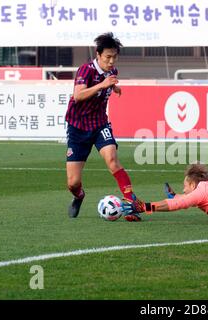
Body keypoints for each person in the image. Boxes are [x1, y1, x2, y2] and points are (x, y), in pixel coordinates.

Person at [65, 32, 142, 221]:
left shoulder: (112, 72)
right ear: (98, 55)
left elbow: (106, 84)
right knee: (73, 183)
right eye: (108, 57)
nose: (111, 61)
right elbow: (78, 96)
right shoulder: (86, 70)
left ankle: (131, 203)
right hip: (78, 127)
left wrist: (113, 87)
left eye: (115, 57)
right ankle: (79, 196)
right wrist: (103, 85)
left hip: (100, 124)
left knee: (112, 160)